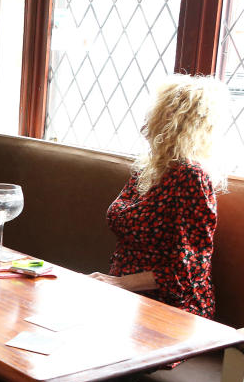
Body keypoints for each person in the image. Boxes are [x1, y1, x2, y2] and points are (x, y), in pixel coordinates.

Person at [89, 75, 229, 320]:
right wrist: (114, 285)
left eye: (153, 118)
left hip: (174, 308)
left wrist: (119, 284)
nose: (145, 127)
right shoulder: (148, 169)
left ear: (174, 124)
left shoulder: (191, 177)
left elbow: (189, 271)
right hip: (127, 296)